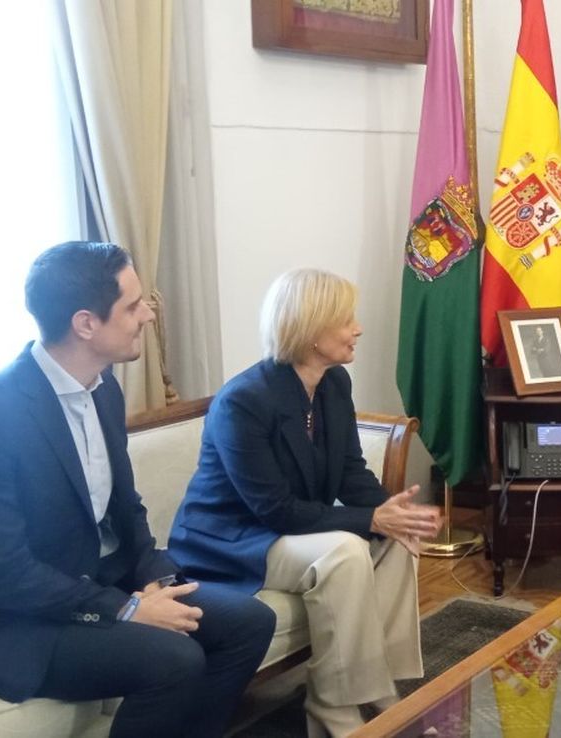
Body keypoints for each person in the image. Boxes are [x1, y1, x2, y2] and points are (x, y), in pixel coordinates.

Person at [0, 242, 275, 738]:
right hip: (5, 621)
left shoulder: (104, 389)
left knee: (249, 622)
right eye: (133, 306)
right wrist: (125, 608)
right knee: (175, 658)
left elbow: (126, 508)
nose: (148, 315)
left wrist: (157, 582)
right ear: (85, 323)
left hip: (90, 582)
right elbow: (4, 573)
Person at [167, 268, 442, 738]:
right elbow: (273, 509)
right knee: (346, 551)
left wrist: (393, 514)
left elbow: (350, 470)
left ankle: (379, 689)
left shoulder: (334, 385)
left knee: (399, 541)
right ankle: (333, 708)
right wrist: (371, 519)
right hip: (232, 542)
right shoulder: (243, 401)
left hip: (286, 530)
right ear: (313, 330)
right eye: (346, 320)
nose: (358, 329)